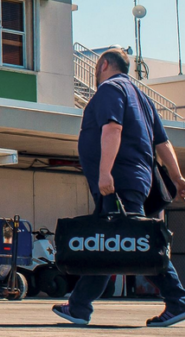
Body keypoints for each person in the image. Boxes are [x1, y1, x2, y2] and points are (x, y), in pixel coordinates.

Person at [52, 48, 185, 328]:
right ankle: (78, 307)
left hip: (119, 181)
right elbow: (163, 143)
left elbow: (112, 128)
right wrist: (177, 178)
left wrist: (104, 173)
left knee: (135, 244)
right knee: (110, 242)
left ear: (103, 64)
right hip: (134, 180)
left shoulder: (110, 89)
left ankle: (178, 301)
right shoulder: (143, 98)